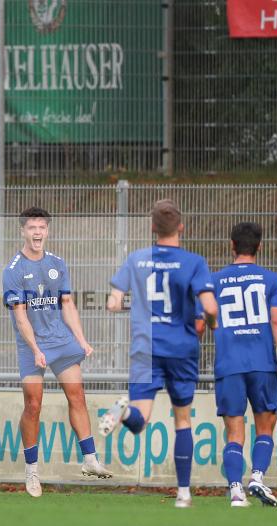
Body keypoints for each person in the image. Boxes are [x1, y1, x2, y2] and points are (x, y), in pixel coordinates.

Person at [99, 199, 218, 508]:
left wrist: (131, 306)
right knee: (182, 420)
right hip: (181, 348)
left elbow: (113, 303)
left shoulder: (136, 259)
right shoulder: (193, 262)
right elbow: (209, 308)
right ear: (181, 226)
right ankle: (183, 494)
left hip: (145, 348)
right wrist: (212, 323)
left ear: (152, 228)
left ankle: (123, 411)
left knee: (140, 422)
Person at [2, 207, 112, 497]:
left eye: (42, 227)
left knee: (77, 395)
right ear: (22, 231)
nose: (37, 233)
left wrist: (82, 340)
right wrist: (36, 349)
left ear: (47, 231)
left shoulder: (58, 264)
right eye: (32, 228)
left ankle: (90, 460)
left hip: (60, 340)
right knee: (33, 405)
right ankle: (32, 472)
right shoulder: (13, 271)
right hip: (31, 345)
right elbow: (20, 317)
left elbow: (67, 305)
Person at [211, 222, 277, 507]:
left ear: (231, 245)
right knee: (265, 428)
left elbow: (205, 320)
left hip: (228, 364)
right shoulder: (272, 280)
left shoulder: (214, 281)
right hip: (261, 364)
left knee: (234, 432)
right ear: (259, 247)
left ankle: (235, 490)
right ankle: (257, 476)